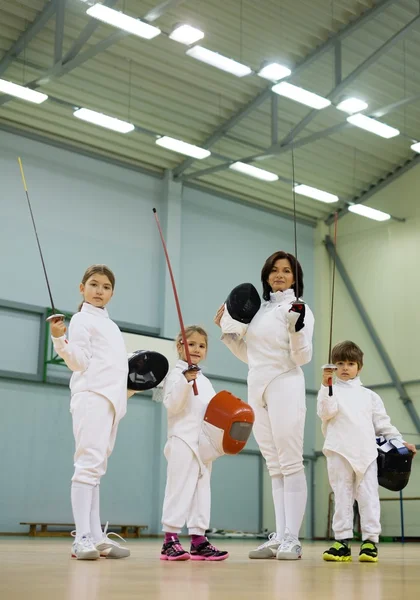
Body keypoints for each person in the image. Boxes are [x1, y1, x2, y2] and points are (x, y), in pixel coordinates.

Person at [214, 251, 314, 560]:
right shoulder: (258, 311)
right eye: (274, 270)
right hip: (257, 385)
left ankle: (292, 539)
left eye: (286, 270)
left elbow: (302, 358)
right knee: (273, 465)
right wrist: (227, 334)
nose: (279, 275)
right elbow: (252, 356)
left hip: (286, 382)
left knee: (290, 461)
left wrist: (297, 329)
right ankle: (280, 535)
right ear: (266, 275)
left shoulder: (300, 308)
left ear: (295, 277)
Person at [50, 264, 130, 560]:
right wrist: (60, 339)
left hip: (110, 401)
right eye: (94, 284)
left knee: (96, 469)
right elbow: (79, 362)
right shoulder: (81, 320)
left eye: (106, 287)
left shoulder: (110, 325)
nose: (99, 291)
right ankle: (81, 537)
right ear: (81, 287)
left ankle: (96, 537)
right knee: (87, 465)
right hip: (91, 397)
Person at [318, 340, 417, 563]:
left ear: (359, 367)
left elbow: (384, 425)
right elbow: (326, 413)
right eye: (340, 363)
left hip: (366, 453)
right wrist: (326, 386)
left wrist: (401, 444)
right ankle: (341, 542)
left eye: (350, 363)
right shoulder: (329, 391)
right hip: (338, 450)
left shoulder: (370, 396)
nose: (345, 368)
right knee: (342, 496)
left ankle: (370, 542)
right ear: (333, 366)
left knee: (369, 497)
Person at [160, 326, 228, 562]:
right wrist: (185, 381)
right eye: (191, 344)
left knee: (201, 492)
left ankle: (198, 539)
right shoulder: (176, 375)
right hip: (182, 441)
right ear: (180, 346)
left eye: (201, 345)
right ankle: (170, 539)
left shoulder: (205, 381)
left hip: (203, 445)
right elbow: (173, 405)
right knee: (178, 488)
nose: (196, 349)